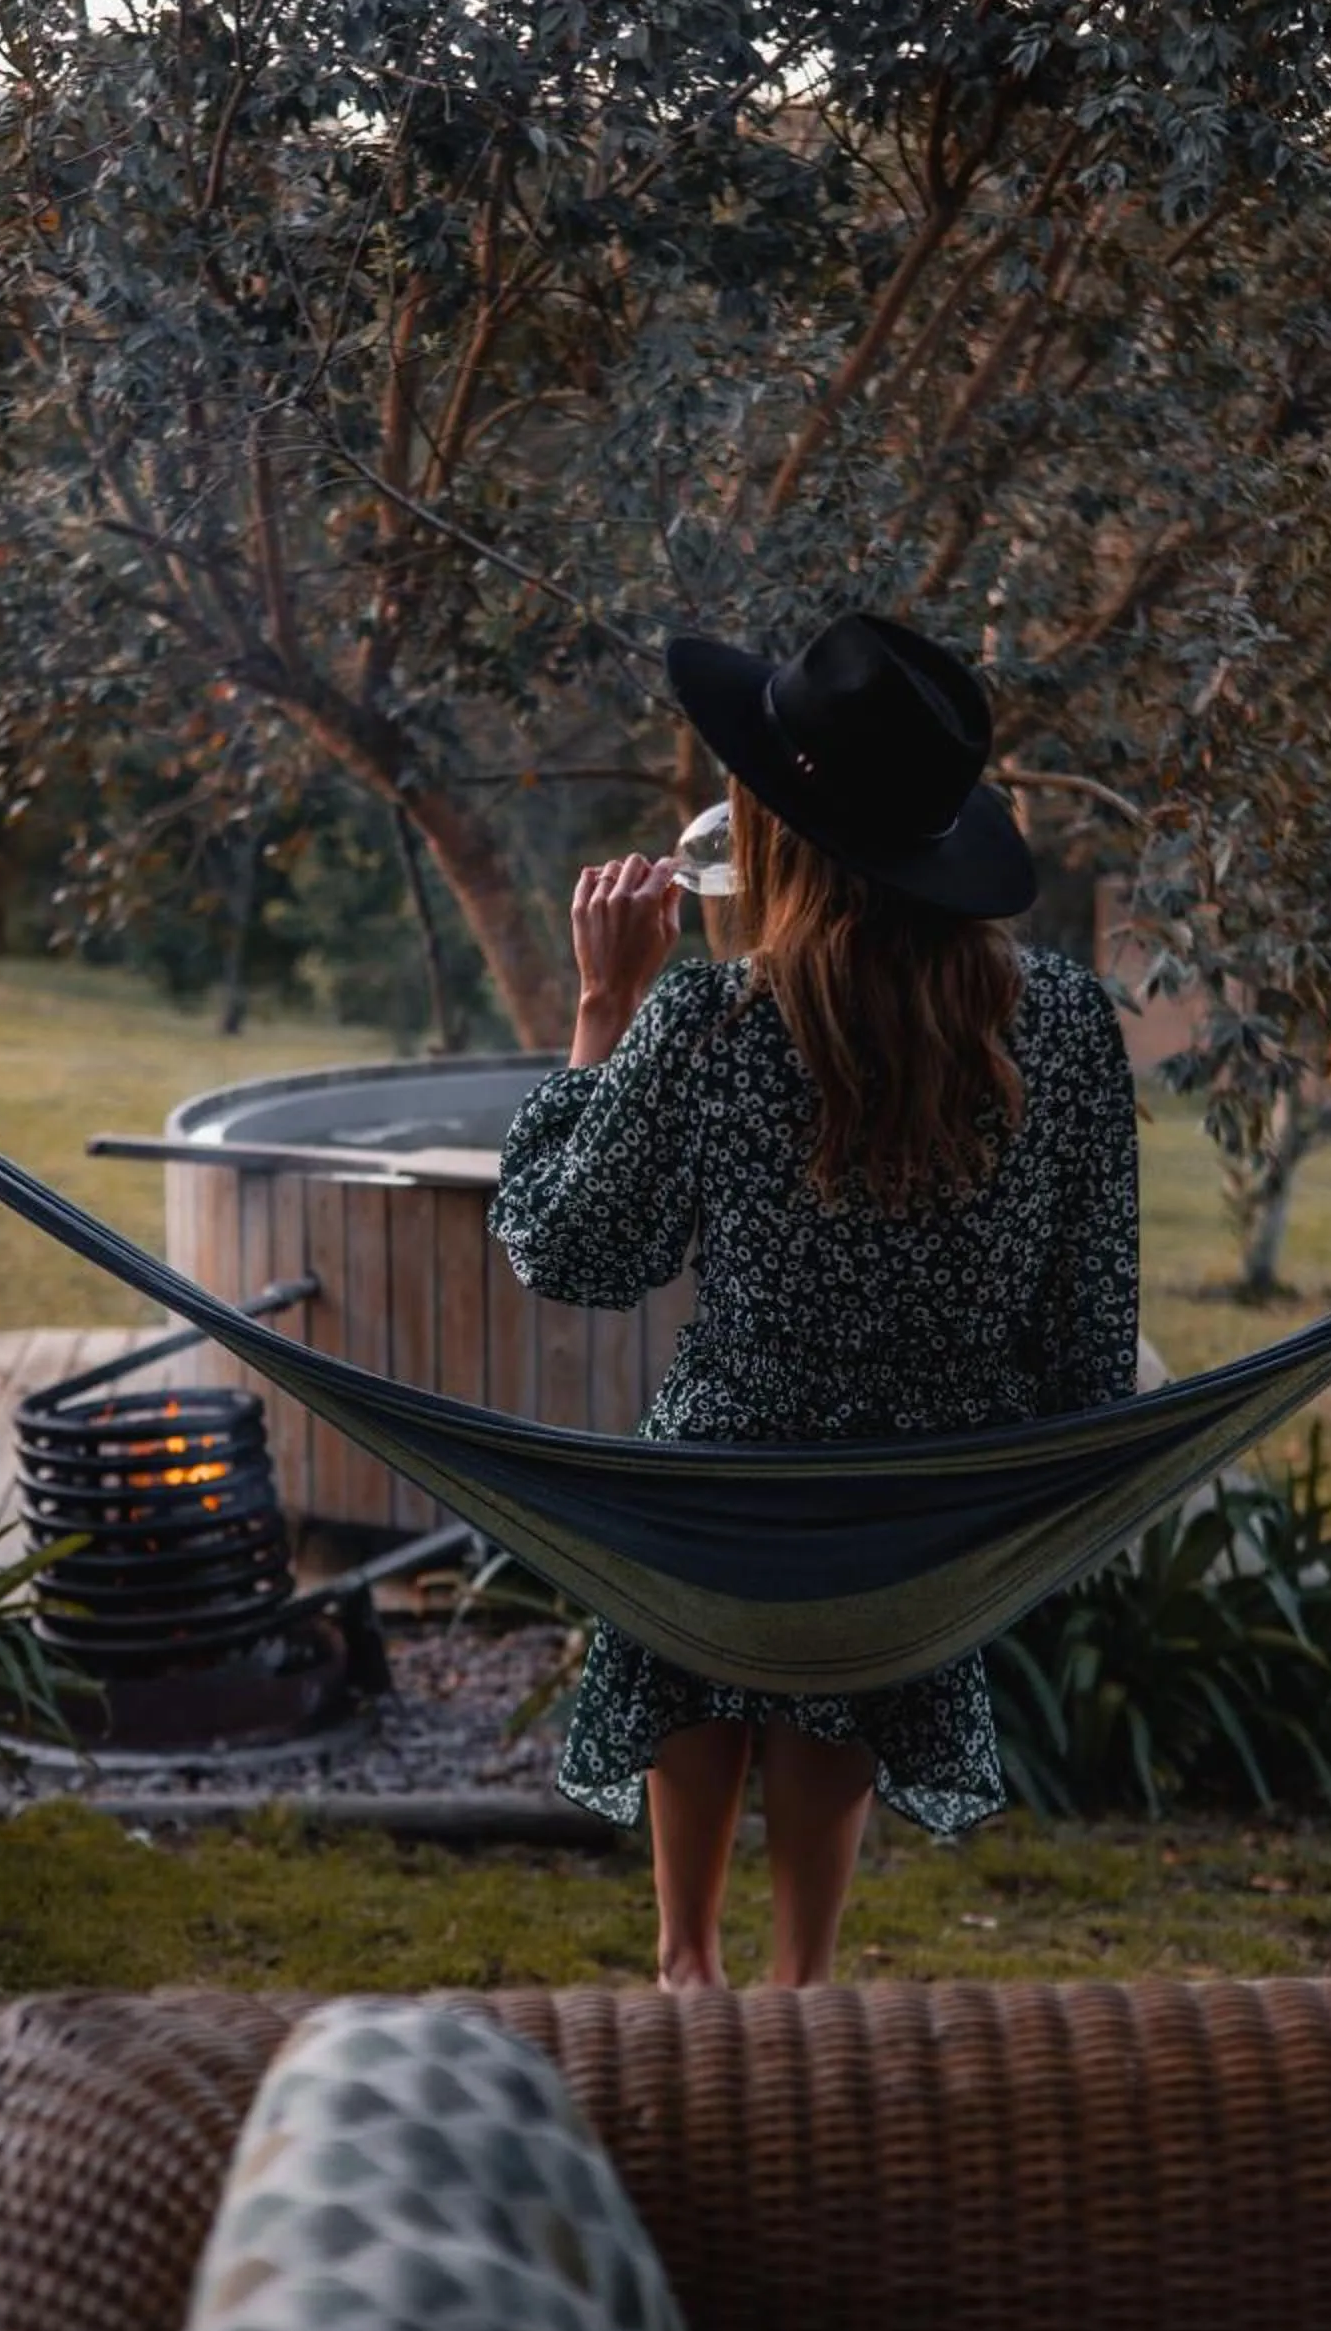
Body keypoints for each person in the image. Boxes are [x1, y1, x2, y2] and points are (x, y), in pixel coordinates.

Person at [488, 609, 1140, 1992]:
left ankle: (685, 1959)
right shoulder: (1072, 1026)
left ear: (781, 834)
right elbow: (1089, 1347)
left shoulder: (715, 1021)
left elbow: (565, 1250)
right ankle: (801, 1978)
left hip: (726, 1506)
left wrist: (603, 1009)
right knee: (836, 1583)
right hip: (923, 1522)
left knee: (719, 1501)